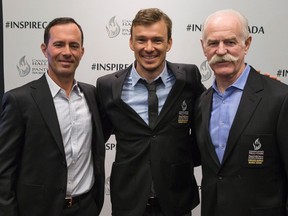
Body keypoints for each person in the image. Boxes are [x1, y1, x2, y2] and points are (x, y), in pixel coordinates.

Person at [96, 8, 206, 216]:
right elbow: (93, 139)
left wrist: (253, 86)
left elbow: (212, 112)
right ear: (131, 42)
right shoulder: (107, 86)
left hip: (177, 201)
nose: (149, 48)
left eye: (157, 40)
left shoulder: (189, 78)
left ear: (169, 43)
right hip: (128, 202)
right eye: (141, 40)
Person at [0, 17, 105, 216]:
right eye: (59, 44)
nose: (67, 52)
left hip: (86, 207)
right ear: (44, 49)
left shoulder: (92, 95)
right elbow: (4, 171)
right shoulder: (19, 100)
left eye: (74, 45)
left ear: (82, 52)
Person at [195, 9, 288, 216]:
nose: (221, 51)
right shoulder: (201, 102)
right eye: (213, 43)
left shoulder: (279, 98)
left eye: (230, 42)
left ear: (246, 44)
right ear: (203, 47)